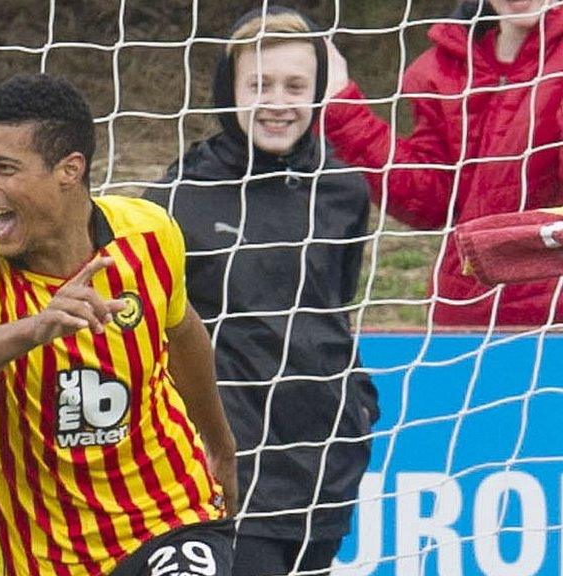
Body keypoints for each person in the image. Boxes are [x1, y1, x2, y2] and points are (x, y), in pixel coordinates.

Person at [0, 73, 239, 576]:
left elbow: (183, 329)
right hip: (43, 558)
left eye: (5, 168)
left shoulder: (148, 231)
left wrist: (221, 445)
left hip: (171, 517)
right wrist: (35, 328)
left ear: (69, 170)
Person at [145, 6, 380, 575]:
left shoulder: (343, 189)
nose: (278, 101)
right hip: (225, 464)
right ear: (231, 91)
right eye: (260, 85)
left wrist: (356, 407)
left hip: (322, 458)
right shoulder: (177, 196)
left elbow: (332, 307)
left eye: (295, 85)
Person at [324, 0, 563, 326]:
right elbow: (429, 200)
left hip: (554, 319)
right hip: (462, 318)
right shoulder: (447, 65)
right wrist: (344, 112)